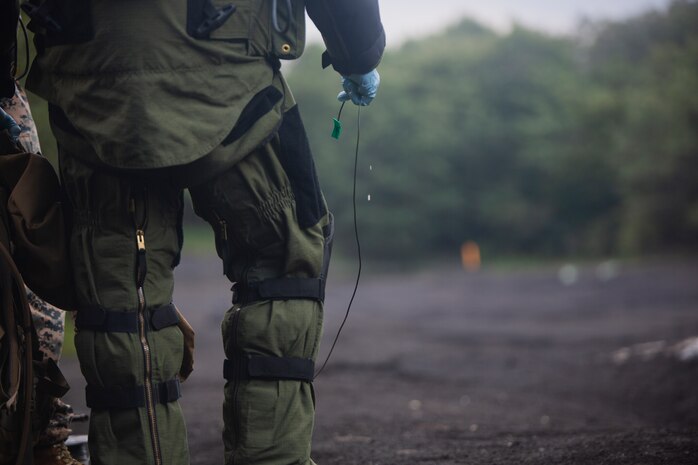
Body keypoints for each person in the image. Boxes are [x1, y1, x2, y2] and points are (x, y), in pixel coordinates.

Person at [2, 1, 385, 464]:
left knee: (119, 295)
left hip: (93, 102)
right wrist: (358, 54)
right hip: (233, 88)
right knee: (284, 260)